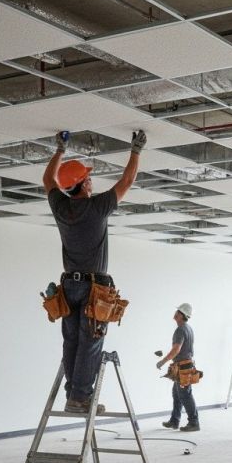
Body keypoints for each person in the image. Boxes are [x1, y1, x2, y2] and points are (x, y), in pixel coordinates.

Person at [43, 129, 146, 414]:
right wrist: (135, 150)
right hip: (92, 289)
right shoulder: (96, 208)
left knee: (73, 342)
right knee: (90, 343)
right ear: (83, 184)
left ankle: (72, 394)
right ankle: (79, 399)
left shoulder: (60, 206)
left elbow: (47, 180)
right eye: (88, 178)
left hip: (69, 287)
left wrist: (59, 150)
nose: (91, 181)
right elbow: (127, 181)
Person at [157, 303, 200, 432]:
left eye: (178, 312)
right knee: (177, 394)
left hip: (183, 368)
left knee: (185, 395)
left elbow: (176, 349)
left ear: (183, 315)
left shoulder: (180, 329)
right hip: (184, 366)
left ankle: (194, 423)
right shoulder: (188, 328)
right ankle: (174, 420)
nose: (176, 313)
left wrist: (163, 361)